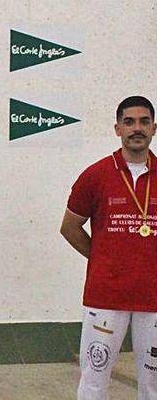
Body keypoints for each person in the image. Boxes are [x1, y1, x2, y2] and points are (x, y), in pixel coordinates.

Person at [61, 95, 157, 400]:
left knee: (153, 386)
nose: (136, 128)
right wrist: (104, 259)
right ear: (117, 128)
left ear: (154, 128)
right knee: (93, 381)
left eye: (144, 121)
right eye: (129, 122)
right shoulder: (95, 175)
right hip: (105, 298)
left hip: (154, 299)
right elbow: (70, 227)